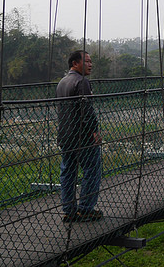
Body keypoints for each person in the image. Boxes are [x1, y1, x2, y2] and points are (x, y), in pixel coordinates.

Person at [56, 50, 103, 222]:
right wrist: (95, 131)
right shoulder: (82, 82)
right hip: (83, 137)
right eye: (88, 61)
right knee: (92, 170)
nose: (91, 64)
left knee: (68, 172)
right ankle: (86, 209)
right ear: (75, 63)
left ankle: (69, 210)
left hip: (66, 135)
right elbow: (87, 110)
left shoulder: (62, 82)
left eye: (91, 62)